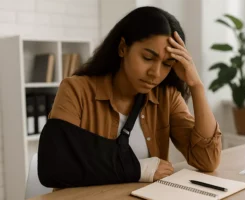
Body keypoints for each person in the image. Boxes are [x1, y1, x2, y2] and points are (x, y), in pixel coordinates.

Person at [48, 6, 222, 183]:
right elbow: (56, 165)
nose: (155, 73)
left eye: (167, 64)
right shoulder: (76, 90)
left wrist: (196, 86)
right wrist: (139, 169)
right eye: (147, 58)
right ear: (123, 48)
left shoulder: (166, 97)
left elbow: (207, 160)